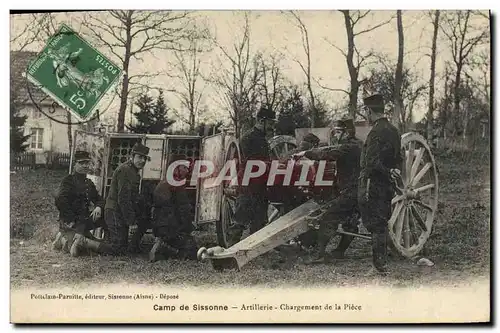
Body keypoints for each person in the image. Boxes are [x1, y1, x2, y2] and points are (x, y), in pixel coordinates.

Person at [295, 116, 363, 264]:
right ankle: (339, 251)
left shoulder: (351, 146)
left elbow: (330, 152)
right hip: (353, 189)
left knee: (329, 217)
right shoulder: (354, 144)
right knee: (351, 222)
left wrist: (306, 153)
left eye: (339, 132)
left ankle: (319, 254)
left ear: (347, 132)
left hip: (353, 191)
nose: (336, 135)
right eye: (335, 132)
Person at [358, 93, 403, 275]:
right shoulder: (393, 130)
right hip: (387, 185)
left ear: (369, 111)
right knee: (382, 221)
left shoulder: (376, 132)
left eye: (366, 112)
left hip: (373, 182)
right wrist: (395, 171)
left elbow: (372, 162)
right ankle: (380, 263)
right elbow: (398, 157)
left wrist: (384, 171)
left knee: (376, 224)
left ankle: (379, 266)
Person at [226, 106, 276, 246]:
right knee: (240, 220)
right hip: (248, 186)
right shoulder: (248, 139)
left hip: (260, 187)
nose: (272, 127)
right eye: (271, 123)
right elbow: (248, 163)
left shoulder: (262, 139)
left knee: (259, 221)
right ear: (261, 121)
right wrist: (268, 164)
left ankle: (254, 249)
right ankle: (230, 249)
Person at [53, 150, 109, 257]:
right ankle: (69, 239)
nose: (85, 166)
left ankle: (67, 239)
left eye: (87, 163)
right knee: (82, 250)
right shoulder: (68, 181)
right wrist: (71, 220)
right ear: (74, 165)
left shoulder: (88, 183)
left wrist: (98, 207)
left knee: (107, 215)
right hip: (72, 222)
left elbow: (99, 199)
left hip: (84, 221)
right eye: (81, 163)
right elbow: (60, 200)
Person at [104, 142, 150, 255]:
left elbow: (132, 198)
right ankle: (84, 242)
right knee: (118, 247)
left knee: (122, 245)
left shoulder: (134, 172)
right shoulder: (125, 170)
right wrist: (131, 222)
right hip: (114, 211)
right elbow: (123, 199)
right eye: (139, 157)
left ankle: (133, 246)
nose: (143, 160)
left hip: (121, 211)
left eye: (145, 158)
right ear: (132, 156)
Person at [149, 162, 196, 262]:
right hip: (169, 226)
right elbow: (184, 209)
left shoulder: (164, 182)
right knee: (191, 248)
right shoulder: (177, 183)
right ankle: (164, 248)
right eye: (184, 168)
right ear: (176, 168)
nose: (187, 171)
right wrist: (188, 227)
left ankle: (162, 243)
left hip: (159, 226)